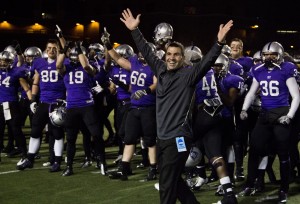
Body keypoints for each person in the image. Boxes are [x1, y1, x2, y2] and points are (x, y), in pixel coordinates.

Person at [119, 8, 233, 204]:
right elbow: (147, 50)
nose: (172, 57)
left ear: (183, 59)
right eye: (169, 54)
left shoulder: (189, 75)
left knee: (166, 185)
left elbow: (207, 62)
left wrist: (219, 43)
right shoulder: (161, 69)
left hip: (179, 138)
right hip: (162, 137)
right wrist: (134, 31)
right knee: (172, 180)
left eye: (177, 55)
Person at [238, 41, 300, 203]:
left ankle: (284, 189)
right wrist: (244, 108)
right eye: (266, 55)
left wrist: (290, 115)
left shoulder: (287, 69)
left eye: (273, 54)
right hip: (264, 115)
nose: (269, 57)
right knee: (255, 149)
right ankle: (250, 183)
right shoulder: (258, 70)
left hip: (281, 113)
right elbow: (251, 92)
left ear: (280, 55)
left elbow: (296, 96)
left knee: (282, 152)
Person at [101, 29, 158, 181]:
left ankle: (153, 168)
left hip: (148, 108)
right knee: (129, 139)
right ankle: (124, 169)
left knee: (150, 141)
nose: (140, 54)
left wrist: (145, 91)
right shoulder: (134, 63)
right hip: (134, 108)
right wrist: (107, 43)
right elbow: (118, 58)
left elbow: (156, 85)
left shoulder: (155, 67)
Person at [56, 41, 107, 176]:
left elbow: (86, 66)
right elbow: (58, 65)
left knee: (96, 135)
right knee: (71, 138)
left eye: (77, 54)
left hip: (87, 105)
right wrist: (64, 48)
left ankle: (102, 162)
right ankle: (69, 166)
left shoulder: (92, 65)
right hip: (72, 106)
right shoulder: (66, 67)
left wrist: (79, 50)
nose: (74, 57)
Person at [16, 39, 66, 172]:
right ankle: (30, 159)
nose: (51, 50)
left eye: (54, 48)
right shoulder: (39, 63)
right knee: (35, 131)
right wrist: (32, 100)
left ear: (58, 49)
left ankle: (57, 161)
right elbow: (36, 82)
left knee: (57, 134)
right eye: (49, 48)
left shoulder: (63, 62)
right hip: (43, 102)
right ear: (45, 49)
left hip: (57, 103)